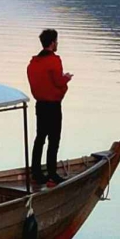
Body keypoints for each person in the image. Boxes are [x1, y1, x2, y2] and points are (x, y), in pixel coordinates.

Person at [27, 28, 73, 187]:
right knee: (54, 140)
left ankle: (36, 173)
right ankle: (52, 175)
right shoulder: (54, 60)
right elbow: (58, 83)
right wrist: (66, 80)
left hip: (40, 105)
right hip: (53, 106)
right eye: (56, 41)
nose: (57, 44)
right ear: (53, 43)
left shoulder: (33, 63)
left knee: (40, 139)